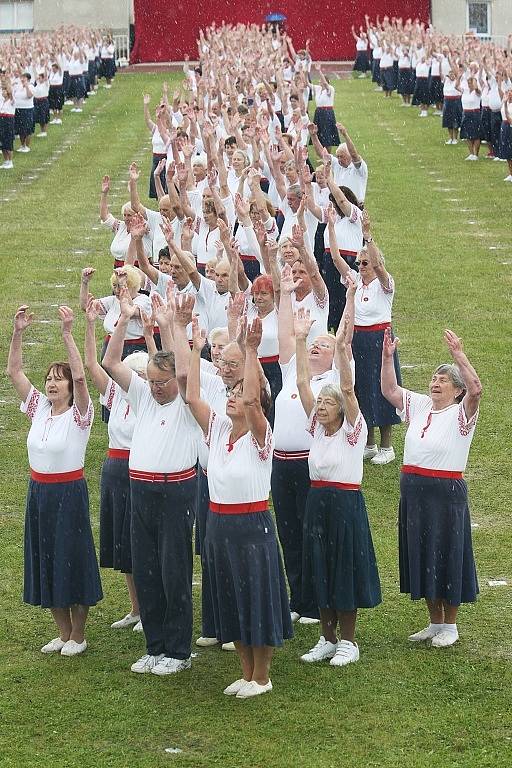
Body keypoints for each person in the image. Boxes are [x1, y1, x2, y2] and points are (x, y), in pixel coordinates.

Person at [185, 315, 293, 698]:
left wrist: (250, 350)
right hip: (218, 526)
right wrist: (196, 348)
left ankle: (261, 676)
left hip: (251, 526)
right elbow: (192, 397)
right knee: (231, 597)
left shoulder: (262, 438)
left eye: (239, 398)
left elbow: (250, 397)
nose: (232, 399)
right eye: (229, 396)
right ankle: (245, 671)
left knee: (256, 598)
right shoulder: (216, 430)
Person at [103, 288, 199, 675]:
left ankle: (178, 651)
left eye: (163, 382)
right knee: (145, 569)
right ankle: (155, 645)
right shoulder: (141, 395)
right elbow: (109, 362)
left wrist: (173, 325)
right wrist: (124, 317)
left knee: (173, 570)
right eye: (152, 381)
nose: (156, 387)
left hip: (175, 491)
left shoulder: (187, 402)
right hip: (140, 490)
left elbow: (184, 371)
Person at [7, 304, 102, 656]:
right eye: (48, 378)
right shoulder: (39, 410)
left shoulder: (80, 415)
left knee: (71, 557)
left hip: (68, 494)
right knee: (46, 557)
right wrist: (18, 332)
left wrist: (66, 333)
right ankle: (62, 633)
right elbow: (14, 371)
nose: (51, 382)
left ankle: (79, 634)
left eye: (56, 378)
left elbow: (81, 377)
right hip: (39, 493)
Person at [381, 328, 482, 648]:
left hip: (445, 494)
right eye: (434, 378)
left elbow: (477, 389)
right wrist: (386, 359)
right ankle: (434, 621)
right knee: (422, 552)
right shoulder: (421, 406)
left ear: (456, 391)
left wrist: (458, 356)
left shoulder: (462, 413)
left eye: (443, 380)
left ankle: (450, 625)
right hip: (414, 491)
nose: (435, 383)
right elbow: (390, 391)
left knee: (448, 553)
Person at [295, 311, 381, 666]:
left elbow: (347, 388)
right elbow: (302, 385)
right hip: (317, 501)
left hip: (345, 503)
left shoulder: (352, 431)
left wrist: (344, 349)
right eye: (321, 403)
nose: (322, 405)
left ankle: (348, 641)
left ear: (342, 409)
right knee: (320, 564)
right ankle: (326, 637)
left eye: (328, 403)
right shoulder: (317, 428)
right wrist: (300, 341)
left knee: (344, 566)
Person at [84, 296, 151, 633]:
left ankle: (150, 606)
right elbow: (94, 366)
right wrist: (91, 325)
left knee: (140, 540)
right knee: (124, 543)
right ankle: (136, 607)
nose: (132, 380)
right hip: (114, 470)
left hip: (137, 471)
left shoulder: (149, 402)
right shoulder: (115, 397)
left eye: (139, 375)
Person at [326, 207, 401, 464]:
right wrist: (331, 228)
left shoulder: (385, 283)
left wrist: (367, 236)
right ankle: (368, 442)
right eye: (359, 262)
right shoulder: (355, 281)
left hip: (380, 339)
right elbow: (336, 258)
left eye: (364, 262)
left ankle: (387, 445)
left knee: (383, 388)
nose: (361, 266)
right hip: (358, 340)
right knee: (360, 387)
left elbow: (379, 264)